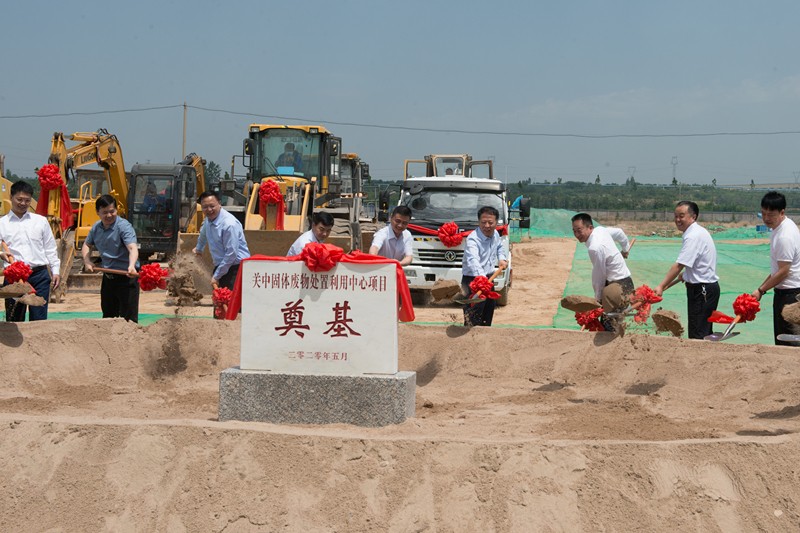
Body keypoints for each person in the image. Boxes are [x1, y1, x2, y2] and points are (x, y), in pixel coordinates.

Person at [654, 201, 720, 339]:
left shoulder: (693, 236)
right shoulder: (697, 232)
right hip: (704, 289)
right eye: (676, 216)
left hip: (702, 291)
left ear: (693, 217)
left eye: (682, 216)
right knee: (702, 331)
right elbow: (698, 262)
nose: (678, 220)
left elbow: (679, 265)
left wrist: (661, 286)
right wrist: (687, 275)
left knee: (698, 335)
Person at [0, 180, 60, 321]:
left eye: (27, 200)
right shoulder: (2, 223)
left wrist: (56, 270)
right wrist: (1, 254)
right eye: (19, 199)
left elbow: (50, 248)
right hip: (14, 278)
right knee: (14, 319)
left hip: (39, 275)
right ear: (11, 197)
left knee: (39, 320)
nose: (23, 203)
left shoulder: (40, 221)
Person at [750, 191, 800, 346]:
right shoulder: (780, 228)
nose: (766, 218)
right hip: (785, 292)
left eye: (771, 215)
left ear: (782, 212)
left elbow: (784, 271)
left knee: (788, 342)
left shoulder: (785, 236)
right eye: (763, 214)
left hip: (790, 295)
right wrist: (761, 289)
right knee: (782, 339)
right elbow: (777, 270)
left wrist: (761, 290)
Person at [81, 194, 140, 322]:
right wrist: (87, 261)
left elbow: (132, 248)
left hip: (126, 277)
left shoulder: (124, 226)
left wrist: (131, 265)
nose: (109, 215)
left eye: (112, 211)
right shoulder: (96, 227)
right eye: (105, 212)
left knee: (128, 319)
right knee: (108, 317)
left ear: (116, 210)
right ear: (97, 212)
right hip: (108, 277)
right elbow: (87, 245)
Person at [570, 213, 634, 325]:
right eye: (574, 231)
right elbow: (619, 233)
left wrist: (598, 299)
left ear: (590, 227)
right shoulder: (601, 230)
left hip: (617, 289)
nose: (577, 234)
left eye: (579, 230)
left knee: (608, 325)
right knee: (613, 324)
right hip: (627, 283)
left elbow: (599, 275)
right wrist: (625, 249)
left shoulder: (594, 247)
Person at [461, 206, 508, 327]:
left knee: (488, 310)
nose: (487, 226)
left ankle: (485, 335)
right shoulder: (473, 239)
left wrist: (501, 258)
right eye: (483, 222)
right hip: (473, 280)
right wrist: (482, 279)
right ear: (478, 222)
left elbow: (499, 247)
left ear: (496, 222)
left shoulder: (495, 234)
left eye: (490, 223)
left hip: (489, 278)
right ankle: (470, 337)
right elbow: (473, 260)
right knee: (473, 315)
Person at [193, 191, 250, 290]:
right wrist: (199, 249)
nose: (209, 210)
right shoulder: (208, 220)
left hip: (236, 268)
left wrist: (216, 276)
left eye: (212, 206)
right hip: (222, 265)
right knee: (219, 297)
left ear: (219, 204)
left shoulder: (229, 224)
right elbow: (203, 235)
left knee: (230, 298)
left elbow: (231, 254)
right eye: (205, 207)